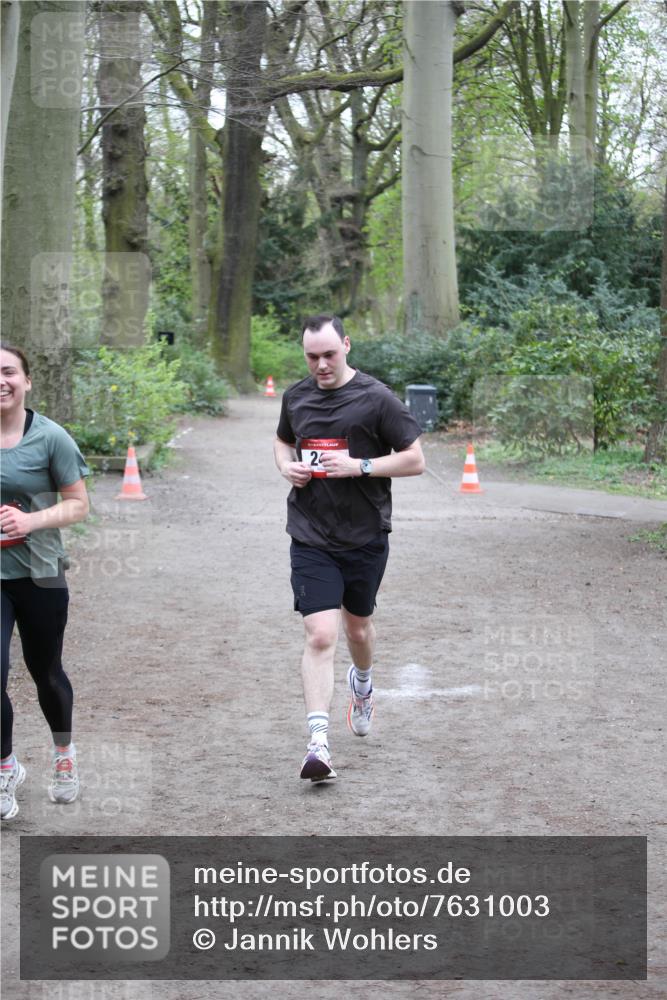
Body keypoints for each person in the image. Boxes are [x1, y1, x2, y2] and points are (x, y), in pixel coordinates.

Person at [274, 315, 425, 781]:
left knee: (358, 629)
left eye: (329, 355)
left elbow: (415, 460)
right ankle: (318, 744)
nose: (321, 365)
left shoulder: (377, 398)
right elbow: (282, 442)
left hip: (364, 534)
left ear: (346, 345)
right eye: (311, 357)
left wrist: (360, 466)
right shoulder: (295, 397)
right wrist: (286, 467)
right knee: (321, 635)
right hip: (310, 533)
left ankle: (362, 685)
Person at [0, 345, 90, 820]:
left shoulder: (51, 437)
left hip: (40, 573)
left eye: (8, 372)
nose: (1, 382)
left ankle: (63, 754)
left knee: (46, 672)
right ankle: (5, 767)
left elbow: (79, 505)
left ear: (27, 381)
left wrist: (30, 521)